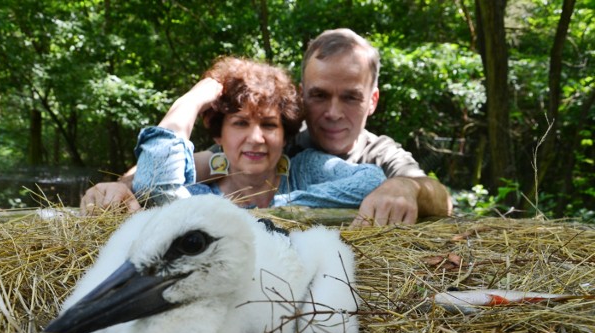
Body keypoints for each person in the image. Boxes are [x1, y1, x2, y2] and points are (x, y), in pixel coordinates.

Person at [81, 28, 452, 225]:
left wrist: (403, 186)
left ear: (372, 100)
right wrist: (121, 186)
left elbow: (439, 197)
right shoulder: (273, 149)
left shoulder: (379, 152)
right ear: (302, 98)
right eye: (320, 96)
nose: (334, 112)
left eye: (351, 97)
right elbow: (180, 171)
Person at [129, 56, 384, 209]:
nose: (255, 138)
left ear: (285, 135)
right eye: (240, 123)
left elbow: (371, 182)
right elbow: (154, 190)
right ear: (219, 135)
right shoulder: (201, 197)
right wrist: (190, 102)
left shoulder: (303, 171)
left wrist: (279, 208)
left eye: (269, 125)